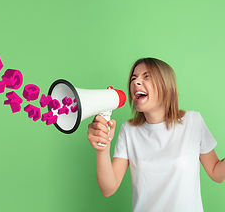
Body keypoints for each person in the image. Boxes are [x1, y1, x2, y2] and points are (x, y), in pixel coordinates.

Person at [87, 57, 225, 211]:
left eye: (146, 76)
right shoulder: (129, 130)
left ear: (166, 85)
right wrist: (102, 150)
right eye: (133, 78)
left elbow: (216, 173)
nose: (136, 82)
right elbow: (108, 189)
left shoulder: (193, 121)